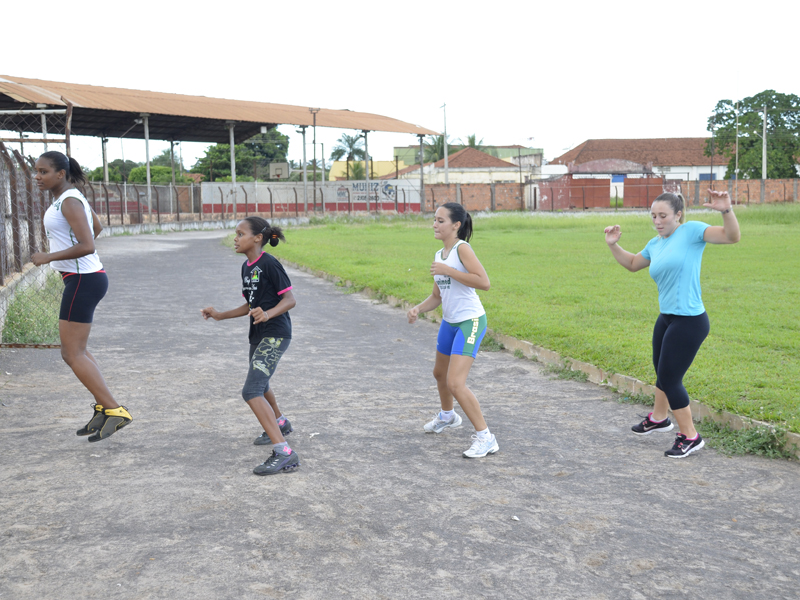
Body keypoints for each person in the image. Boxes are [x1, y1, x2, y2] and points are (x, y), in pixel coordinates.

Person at [604, 190, 740, 458]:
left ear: (678, 215)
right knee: (661, 369)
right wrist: (613, 244)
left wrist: (726, 210)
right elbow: (632, 264)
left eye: (663, 215)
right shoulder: (656, 243)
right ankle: (659, 418)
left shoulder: (691, 232)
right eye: (653, 216)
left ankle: (691, 435)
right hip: (667, 317)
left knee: (670, 376)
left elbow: (731, 237)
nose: (657, 220)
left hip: (690, 320)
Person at [31, 151, 132, 442]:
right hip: (85, 278)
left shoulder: (70, 201)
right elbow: (97, 228)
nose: (37, 177)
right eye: (36, 171)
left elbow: (88, 243)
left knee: (71, 353)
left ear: (60, 174)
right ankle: (104, 408)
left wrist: (49, 256)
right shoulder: (69, 198)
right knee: (80, 351)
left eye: (43, 171)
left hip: (83, 280)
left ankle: (114, 410)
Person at [201, 216, 299, 476]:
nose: (235, 238)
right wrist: (220, 314)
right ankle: (279, 422)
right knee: (261, 383)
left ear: (257, 238)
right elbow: (249, 304)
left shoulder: (269, 263)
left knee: (252, 390)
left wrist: (268, 314)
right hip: (258, 335)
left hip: (275, 333)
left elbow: (289, 300)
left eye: (240, 233)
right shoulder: (247, 266)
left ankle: (284, 453)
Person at [407, 203, 498, 458]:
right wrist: (418, 309)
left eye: (440, 220)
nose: (435, 224)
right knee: (439, 374)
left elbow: (484, 282)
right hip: (449, 322)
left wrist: (449, 271)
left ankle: (486, 437)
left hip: (470, 321)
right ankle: (447, 416)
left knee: (456, 383)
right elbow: (437, 295)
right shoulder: (439, 254)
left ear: (456, 225)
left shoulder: (462, 249)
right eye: (434, 220)